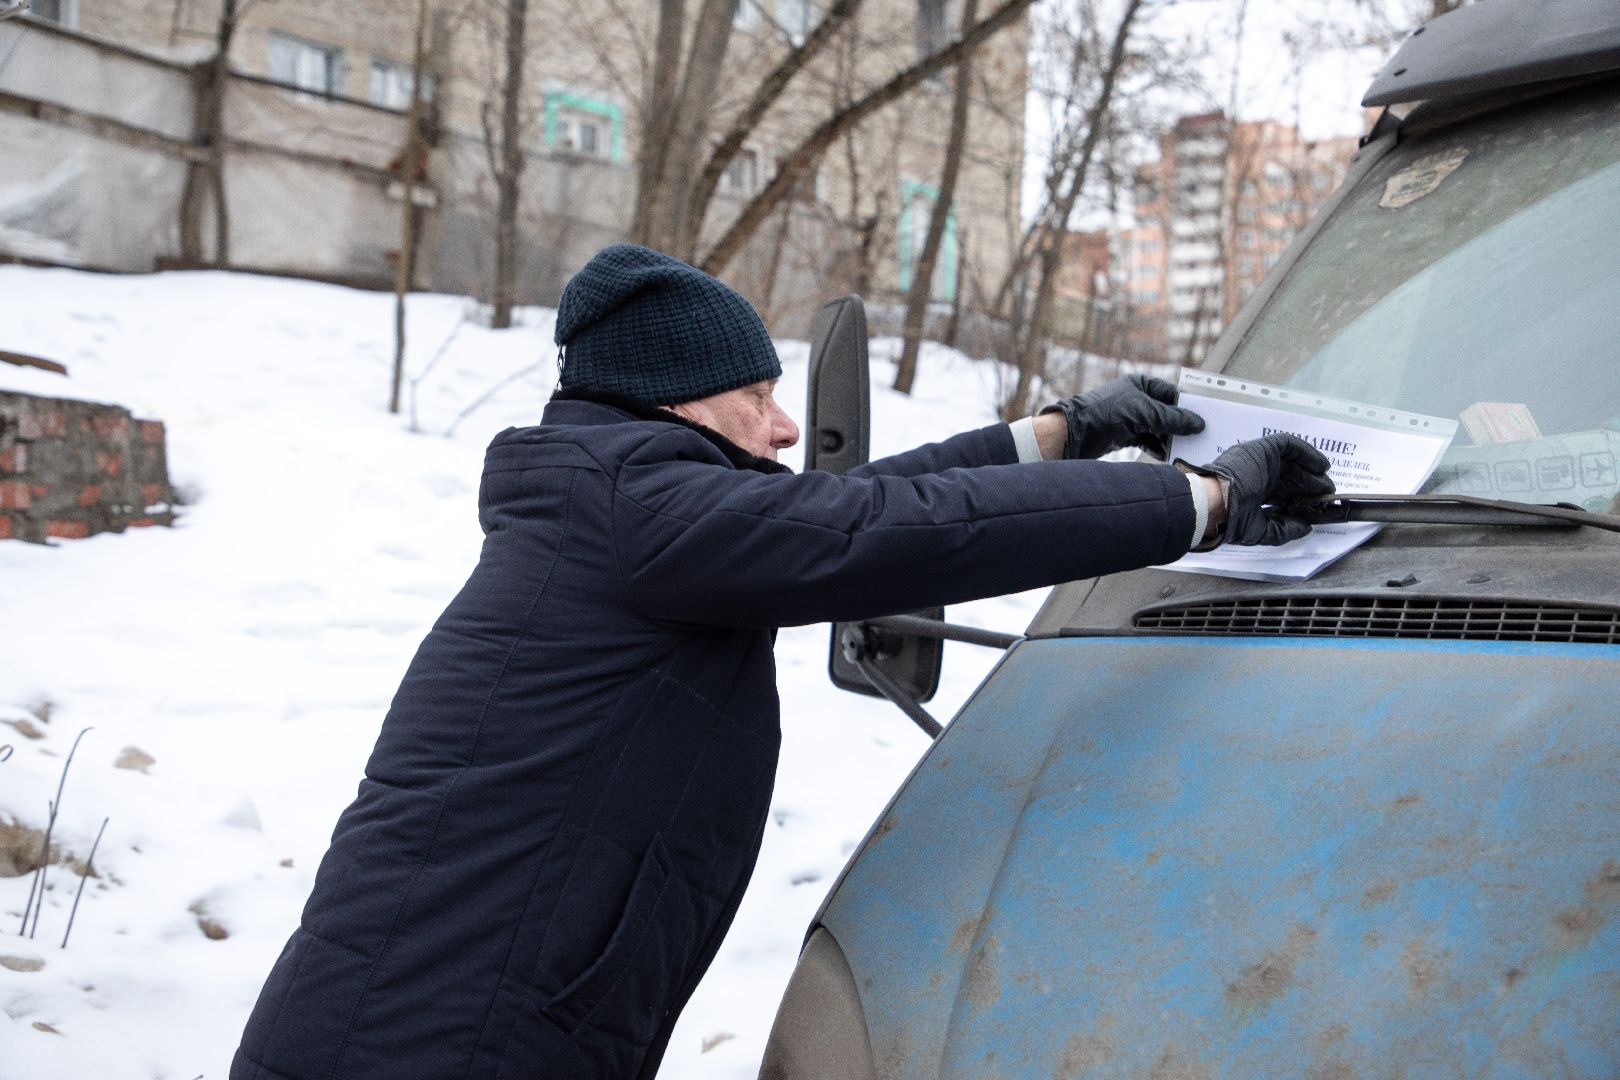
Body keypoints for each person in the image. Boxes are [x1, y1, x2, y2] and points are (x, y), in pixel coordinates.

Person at [231, 244, 1332, 1080]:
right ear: (676, 397)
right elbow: (882, 534)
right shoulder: (642, 515)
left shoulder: (623, 505)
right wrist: (1207, 503)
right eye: (756, 396)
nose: (783, 426)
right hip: (430, 1041)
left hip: (445, 1018)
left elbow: (853, 510)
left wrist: (1058, 432)